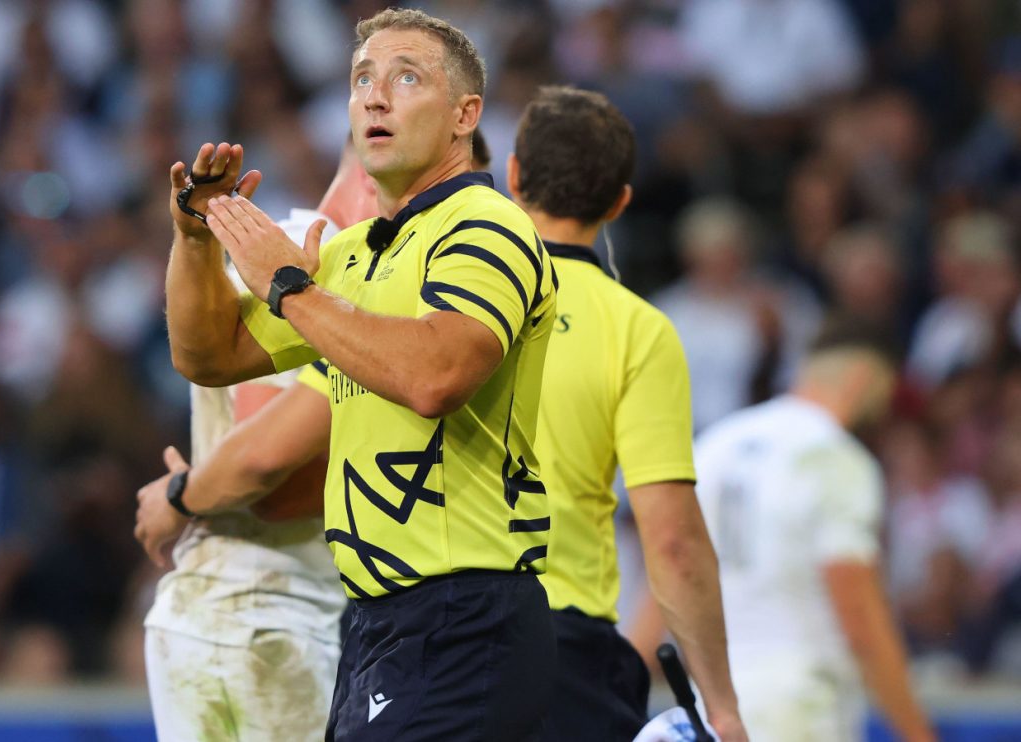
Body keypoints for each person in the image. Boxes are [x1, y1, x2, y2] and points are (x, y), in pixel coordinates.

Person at [156, 8, 558, 739]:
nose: (375, 96)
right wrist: (194, 239)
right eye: (362, 80)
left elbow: (438, 375)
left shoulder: (486, 226)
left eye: (407, 78)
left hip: (464, 613)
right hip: (378, 623)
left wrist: (292, 289)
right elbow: (207, 356)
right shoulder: (352, 256)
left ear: (466, 113)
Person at [505, 87, 745, 742]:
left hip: (416, 643)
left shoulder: (433, 297)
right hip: (558, 649)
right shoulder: (637, 330)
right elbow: (671, 538)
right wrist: (719, 703)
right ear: (619, 201)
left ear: (515, 176)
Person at [137, 139, 377, 742]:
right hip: (262, 619)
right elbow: (266, 465)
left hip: (234, 618)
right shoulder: (304, 257)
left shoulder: (319, 251)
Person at [692, 321, 937, 742]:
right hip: (801, 702)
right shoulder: (835, 457)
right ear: (863, 377)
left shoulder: (716, 444)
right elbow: (859, 613)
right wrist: (918, 733)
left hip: (713, 702)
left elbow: (673, 563)